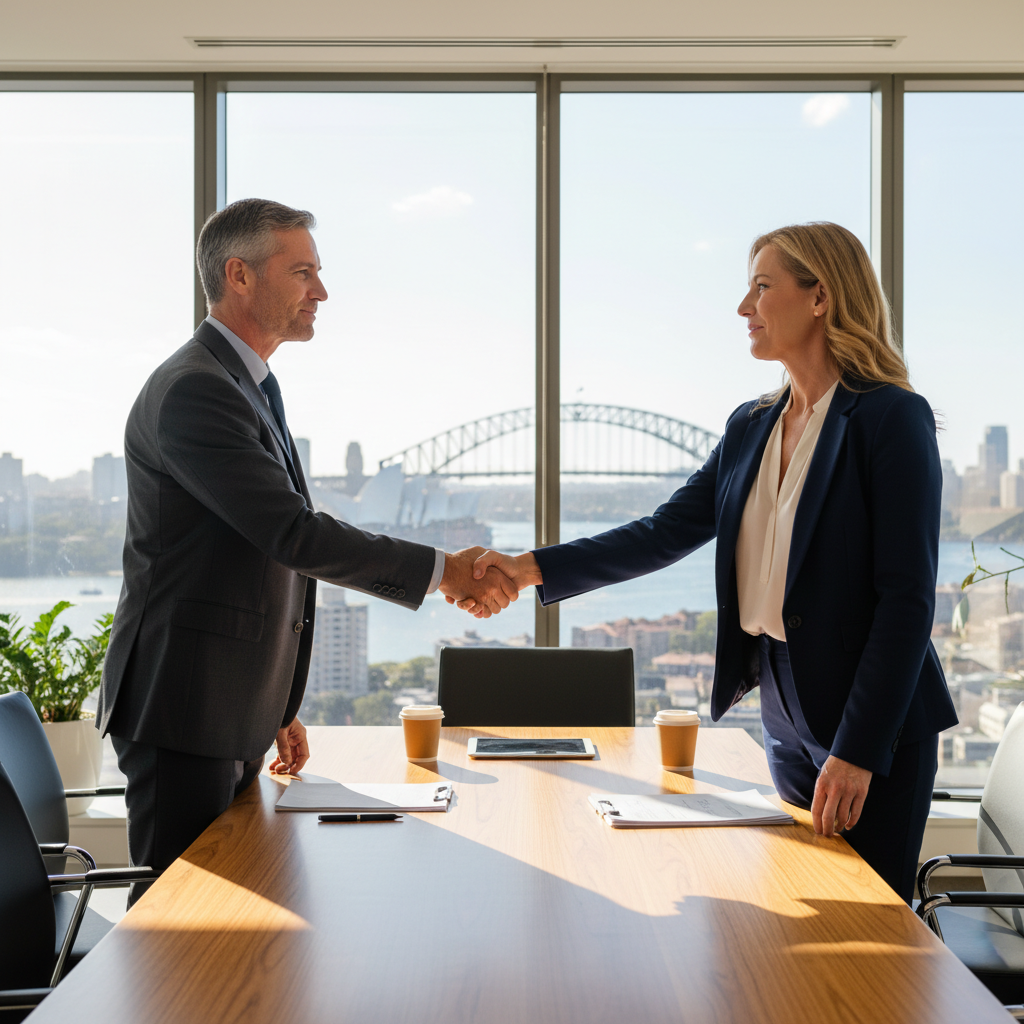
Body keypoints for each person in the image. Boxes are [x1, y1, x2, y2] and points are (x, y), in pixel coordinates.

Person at [465, 222, 957, 902]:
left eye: (761, 287)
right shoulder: (750, 425)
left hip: (872, 720)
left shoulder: (889, 418)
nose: (742, 307)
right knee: (801, 909)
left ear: (820, 298)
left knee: (873, 933)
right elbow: (663, 531)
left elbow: (907, 600)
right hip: (784, 709)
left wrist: (858, 749)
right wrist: (526, 568)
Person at [98, 198, 517, 902]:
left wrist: (273, 703)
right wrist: (445, 569)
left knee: (233, 916)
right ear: (239, 275)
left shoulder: (248, 383)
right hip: (184, 708)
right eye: (303, 273)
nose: (321, 292)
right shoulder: (195, 391)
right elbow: (292, 533)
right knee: (182, 931)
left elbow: (254, 553)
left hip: (219, 700)